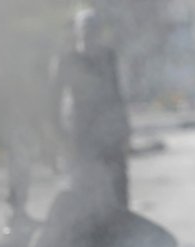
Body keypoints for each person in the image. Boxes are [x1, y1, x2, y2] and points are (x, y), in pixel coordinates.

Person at [50, 9, 130, 214]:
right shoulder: (66, 59)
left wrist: (123, 125)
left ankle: (120, 224)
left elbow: (116, 92)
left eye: (94, 28)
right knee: (82, 182)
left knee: (116, 180)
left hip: (108, 129)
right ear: (76, 31)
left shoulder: (108, 57)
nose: (89, 33)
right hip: (80, 130)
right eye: (85, 27)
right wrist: (57, 133)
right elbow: (53, 98)